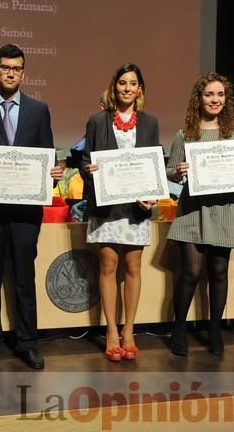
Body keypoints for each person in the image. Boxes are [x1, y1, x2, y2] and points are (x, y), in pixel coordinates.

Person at [0, 44, 63, 371]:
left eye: (16, 68)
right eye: (5, 67)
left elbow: (48, 154)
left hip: (24, 213)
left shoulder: (38, 110)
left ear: (23, 72)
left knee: (23, 278)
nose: (10, 72)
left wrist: (54, 171)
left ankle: (27, 342)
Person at [80, 63, 160, 362]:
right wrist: (88, 171)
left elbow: (152, 164)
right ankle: (111, 331)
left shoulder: (150, 123)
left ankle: (129, 330)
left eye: (133, 84)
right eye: (122, 83)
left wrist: (151, 194)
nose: (127, 88)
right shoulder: (97, 120)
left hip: (136, 206)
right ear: (114, 87)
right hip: (107, 204)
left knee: (134, 267)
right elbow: (86, 160)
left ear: (140, 89)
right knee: (108, 265)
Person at [165, 72, 234, 356]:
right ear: (198, 98)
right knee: (191, 272)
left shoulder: (232, 131)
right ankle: (178, 328)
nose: (215, 100)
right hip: (193, 210)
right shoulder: (184, 134)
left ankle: (214, 330)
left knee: (219, 271)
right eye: (209, 94)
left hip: (223, 208)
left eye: (220, 95)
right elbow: (170, 172)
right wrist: (178, 171)